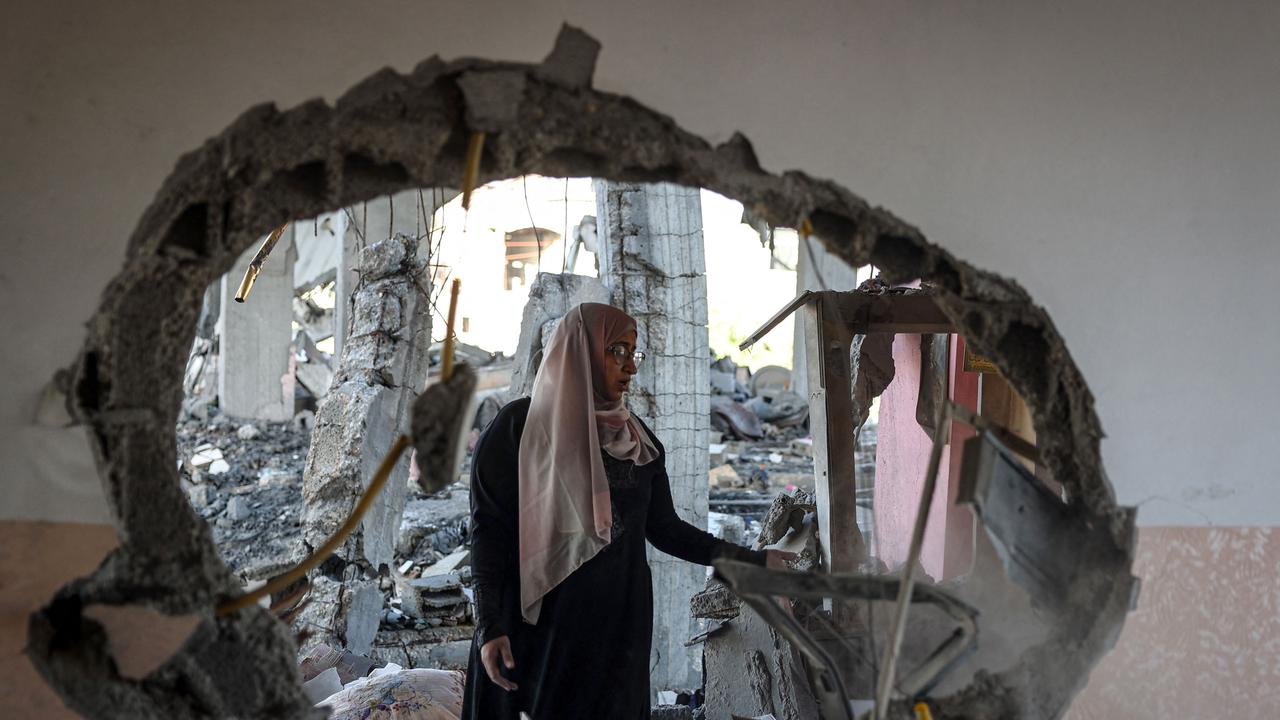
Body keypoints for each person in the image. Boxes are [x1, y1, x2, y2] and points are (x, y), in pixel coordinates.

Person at [461, 303, 791, 719]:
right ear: (579, 351)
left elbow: (667, 530)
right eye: (616, 350)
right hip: (536, 631)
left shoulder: (638, 442)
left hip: (615, 631)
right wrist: (489, 626)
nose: (630, 366)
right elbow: (487, 532)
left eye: (634, 352)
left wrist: (754, 560)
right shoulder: (518, 430)